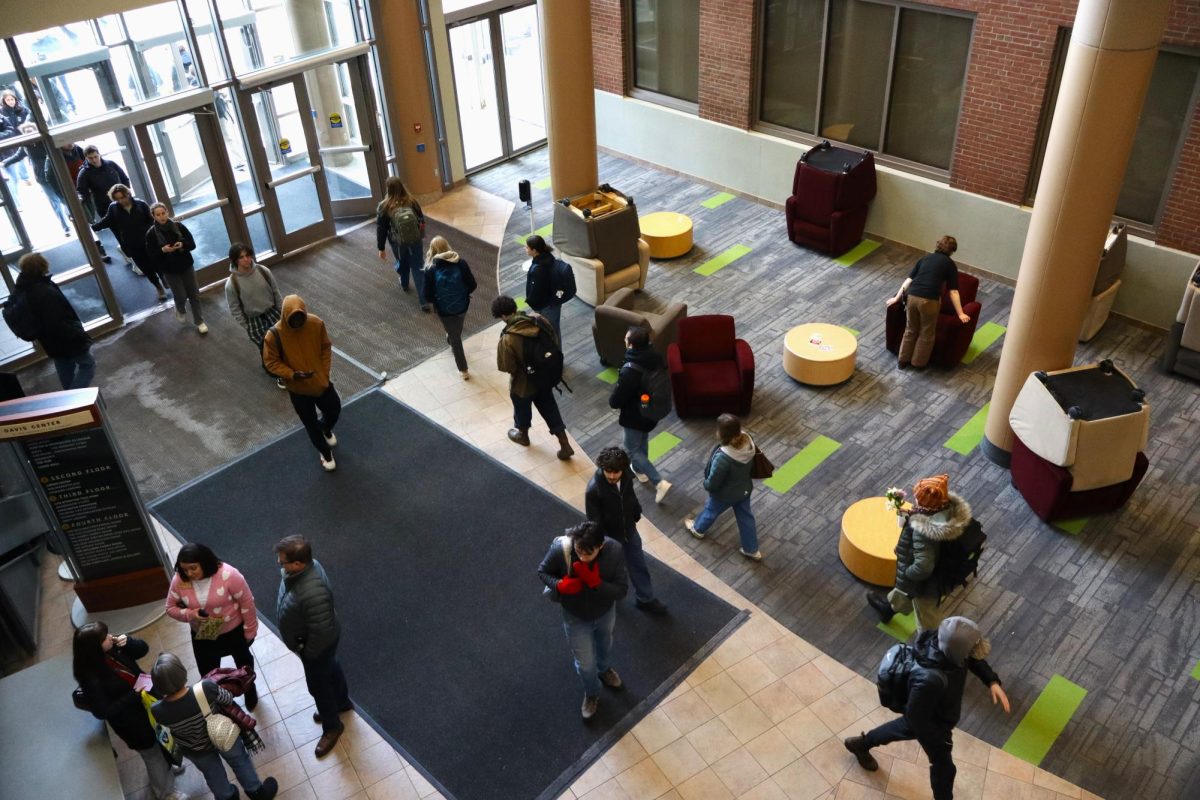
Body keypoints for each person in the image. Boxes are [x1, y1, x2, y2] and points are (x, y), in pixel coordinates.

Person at [844, 617, 1010, 800]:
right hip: (933, 721)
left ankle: (860, 744)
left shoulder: (947, 646)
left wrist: (991, 681)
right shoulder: (929, 679)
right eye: (970, 648)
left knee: (900, 728)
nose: (973, 652)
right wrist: (941, 740)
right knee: (944, 768)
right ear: (958, 650)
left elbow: (974, 658)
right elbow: (916, 720)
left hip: (931, 710)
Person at [73, 623, 183, 800]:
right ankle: (165, 793)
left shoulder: (113, 649)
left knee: (162, 740)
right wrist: (133, 694)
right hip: (133, 723)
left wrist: (129, 642)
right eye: (104, 637)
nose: (110, 637)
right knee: (152, 755)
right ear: (94, 647)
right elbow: (103, 711)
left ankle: (168, 766)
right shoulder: (90, 677)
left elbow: (143, 649)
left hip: (149, 705)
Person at [151, 652, 278, 800]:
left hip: (196, 749)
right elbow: (227, 698)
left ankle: (227, 796)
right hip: (224, 736)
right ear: (181, 671)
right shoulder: (205, 688)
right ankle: (257, 792)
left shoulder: (157, 710)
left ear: (158, 686)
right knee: (240, 761)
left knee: (213, 774)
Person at [538, 521, 629, 720]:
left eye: (588, 553)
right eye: (579, 551)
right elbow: (543, 571)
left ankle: (604, 670)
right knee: (585, 663)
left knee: (605, 645)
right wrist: (560, 585)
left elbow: (622, 590)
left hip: (605, 612)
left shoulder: (614, 551)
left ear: (601, 546)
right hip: (575, 616)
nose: (582, 557)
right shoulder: (563, 547)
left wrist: (597, 583)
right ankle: (592, 692)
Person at [275, 535, 351, 757]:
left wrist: (308, 653)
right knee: (332, 667)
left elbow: (321, 629)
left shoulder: (312, 592)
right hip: (321, 644)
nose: (280, 566)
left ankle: (333, 725)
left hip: (317, 646)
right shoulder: (305, 570)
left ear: (298, 564)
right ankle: (342, 702)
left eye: (282, 562)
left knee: (318, 686)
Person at [865, 474, 972, 633]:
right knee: (907, 591)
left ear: (925, 502)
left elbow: (923, 567)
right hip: (943, 567)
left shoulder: (923, 530)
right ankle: (888, 608)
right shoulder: (948, 511)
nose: (914, 498)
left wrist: (908, 572)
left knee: (926, 618)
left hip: (929, 584)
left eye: (917, 496)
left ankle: (929, 648)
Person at [165, 543, 260, 711]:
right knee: (207, 673)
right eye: (184, 569)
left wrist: (250, 631)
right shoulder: (180, 579)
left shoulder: (229, 575)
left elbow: (247, 603)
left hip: (233, 630)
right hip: (204, 632)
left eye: (193, 568)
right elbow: (170, 608)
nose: (189, 573)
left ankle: (250, 692)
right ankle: (220, 702)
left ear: (205, 562)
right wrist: (189, 614)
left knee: (244, 665)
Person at [585, 446, 667, 614]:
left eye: (616, 472)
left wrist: (636, 511)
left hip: (629, 530)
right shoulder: (594, 490)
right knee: (609, 570)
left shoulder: (627, 476)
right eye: (609, 471)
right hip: (609, 537)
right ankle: (606, 596)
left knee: (638, 564)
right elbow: (594, 521)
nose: (613, 476)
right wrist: (600, 542)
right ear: (602, 468)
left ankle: (646, 598)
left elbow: (630, 495)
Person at [263, 295, 341, 471]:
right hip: (298, 389)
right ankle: (325, 453)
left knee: (334, 408)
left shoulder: (316, 324)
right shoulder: (274, 335)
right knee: (310, 424)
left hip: (320, 382)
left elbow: (325, 347)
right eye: (293, 318)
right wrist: (291, 374)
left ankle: (326, 429)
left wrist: (323, 372)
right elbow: (271, 362)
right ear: (285, 316)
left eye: (300, 316)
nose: (297, 321)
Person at [491, 294, 574, 460]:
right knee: (549, 407)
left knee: (521, 407)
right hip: (545, 377)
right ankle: (565, 444)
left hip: (524, 383)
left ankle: (523, 435)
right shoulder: (538, 319)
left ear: (503, 316)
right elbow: (554, 340)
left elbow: (506, 367)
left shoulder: (508, 338)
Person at [9, 252, 95, 389]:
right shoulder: (44, 291)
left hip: (49, 341)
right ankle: (75, 399)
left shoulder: (22, 287)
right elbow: (57, 322)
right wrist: (79, 334)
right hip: (66, 338)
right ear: (43, 267)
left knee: (64, 367)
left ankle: (69, 398)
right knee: (87, 365)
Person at [608, 324, 672, 504]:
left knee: (631, 448)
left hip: (635, 415)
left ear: (630, 345)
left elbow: (616, 400)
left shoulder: (631, 369)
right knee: (641, 441)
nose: (624, 339)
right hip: (652, 410)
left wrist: (615, 398)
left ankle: (659, 482)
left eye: (626, 338)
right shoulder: (655, 356)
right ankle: (640, 470)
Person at [685, 414, 762, 561]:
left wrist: (706, 484)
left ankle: (698, 529)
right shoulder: (748, 441)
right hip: (744, 489)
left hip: (725, 495)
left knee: (711, 510)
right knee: (746, 517)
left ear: (723, 434)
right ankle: (751, 549)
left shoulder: (724, 458)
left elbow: (714, 482)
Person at [886, 236, 970, 370]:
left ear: (938, 246)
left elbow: (908, 280)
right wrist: (960, 314)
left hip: (912, 297)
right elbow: (953, 292)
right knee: (927, 333)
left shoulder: (924, 258)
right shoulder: (950, 264)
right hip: (929, 301)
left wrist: (896, 298)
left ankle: (902, 361)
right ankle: (918, 364)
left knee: (910, 329)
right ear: (952, 251)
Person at [224, 242, 284, 388]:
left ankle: (286, 370)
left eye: (248, 255)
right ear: (235, 260)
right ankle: (277, 375)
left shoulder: (263, 271)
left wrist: (281, 311)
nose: (246, 259)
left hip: (272, 313)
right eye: (241, 257)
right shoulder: (232, 284)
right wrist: (247, 325)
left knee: (283, 343)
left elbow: (276, 292)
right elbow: (235, 309)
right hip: (254, 321)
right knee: (267, 349)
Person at [145, 202, 206, 334]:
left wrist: (182, 245)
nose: (161, 217)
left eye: (163, 213)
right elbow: (151, 255)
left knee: (194, 294)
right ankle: (180, 309)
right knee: (181, 295)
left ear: (167, 212)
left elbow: (192, 244)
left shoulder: (178, 226)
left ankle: (199, 322)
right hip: (169, 269)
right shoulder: (151, 234)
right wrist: (163, 250)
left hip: (185, 264)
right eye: (158, 215)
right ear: (153, 216)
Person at [92, 183, 163, 293]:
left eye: (123, 197)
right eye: (117, 199)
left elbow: (152, 221)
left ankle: (164, 278)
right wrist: (91, 228)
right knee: (145, 268)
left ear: (128, 194)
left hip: (148, 242)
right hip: (132, 244)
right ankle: (158, 287)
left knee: (157, 263)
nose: (121, 201)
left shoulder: (140, 204)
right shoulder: (114, 208)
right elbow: (106, 221)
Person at [424, 235, 477, 380]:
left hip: (443, 309)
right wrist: (462, 294)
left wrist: (438, 300)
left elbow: (427, 296)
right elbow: (473, 285)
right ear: (448, 246)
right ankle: (451, 336)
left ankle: (463, 369)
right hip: (463, 305)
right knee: (456, 329)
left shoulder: (430, 269)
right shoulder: (461, 263)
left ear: (432, 249)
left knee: (455, 338)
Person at [375, 176, 428, 311]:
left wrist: (381, 248)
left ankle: (404, 283)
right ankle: (424, 302)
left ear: (388, 189)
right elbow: (421, 219)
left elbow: (381, 229)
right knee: (418, 267)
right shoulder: (412, 201)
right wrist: (420, 234)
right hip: (415, 240)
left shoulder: (384, 206)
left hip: (398, 243)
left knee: (403, 263)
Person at [16, 122, 71, 235]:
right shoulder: (26, 147)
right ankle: (65, 227)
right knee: (54, 202)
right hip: (42, 178)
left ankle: (72, 216)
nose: (31, 136)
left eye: (32, 133)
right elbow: (17, 156)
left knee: (63, 198)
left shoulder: (45, 142)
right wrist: (4, 163)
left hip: (54, 175)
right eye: (28, 134)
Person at [524, 234, 564, 339]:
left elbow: (537, 291)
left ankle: (555, 354)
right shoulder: (550, 258)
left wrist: (532, 304)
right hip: (554, 303)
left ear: (534, 250)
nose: (525, 249)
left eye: (527, 247)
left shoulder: (538, 269)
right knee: (555, 331)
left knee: (549, 334)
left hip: (546, 307)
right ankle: (557, 353)